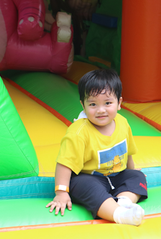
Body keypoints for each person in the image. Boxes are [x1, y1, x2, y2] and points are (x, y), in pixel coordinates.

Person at [46, 69, 148, 226]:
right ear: (83, 105)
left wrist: (131, 173)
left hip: (115, 176)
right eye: (93, 104)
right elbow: (64, 164)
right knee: (86, 186)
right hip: (88, 178)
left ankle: (123, 201)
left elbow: (128, 154)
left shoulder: (123, 124)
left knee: (138, 177)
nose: (101, 110)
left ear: (119, 103)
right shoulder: (79, 132)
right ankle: (119, 214)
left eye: (108, 103)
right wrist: (61, 192)